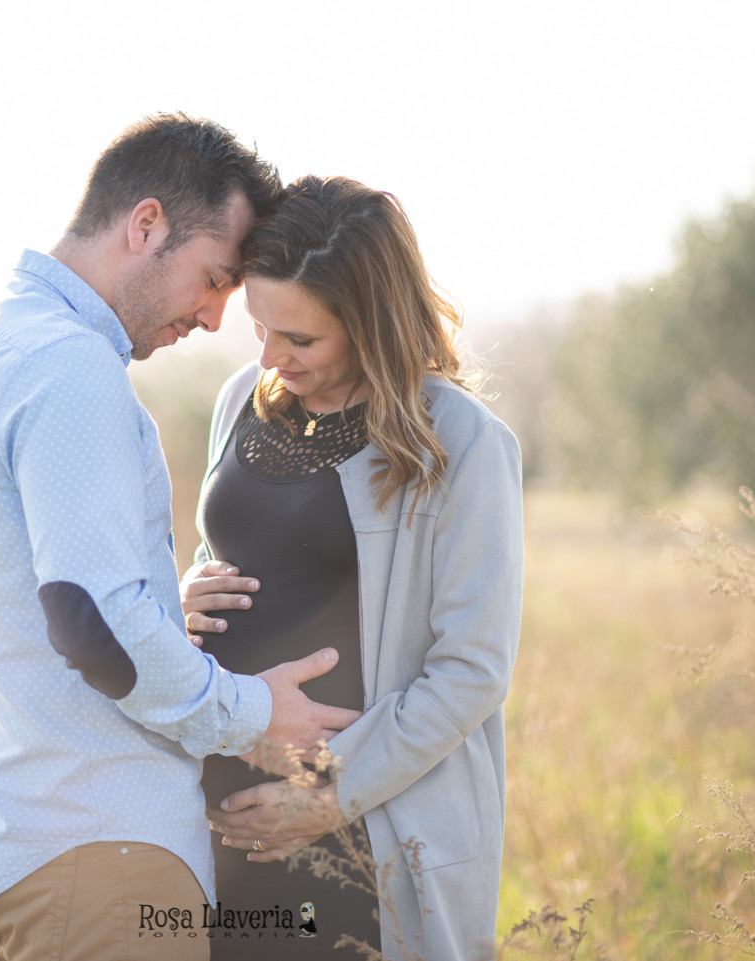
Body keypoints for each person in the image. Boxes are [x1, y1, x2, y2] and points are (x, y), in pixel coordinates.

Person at [0, 115, 361, 961]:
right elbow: (92, 617)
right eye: (214, 278)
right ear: (147, 224)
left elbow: (58, 591)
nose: (214, 318)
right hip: (102, 852)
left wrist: (162, 603)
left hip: (56, 835)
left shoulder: (3, 337)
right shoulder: (69, 366)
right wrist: (254, 714)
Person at [180, 175, 524, 960]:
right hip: (217, 831)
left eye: (300, 340)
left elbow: (472, 668)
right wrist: (183, 597)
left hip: (359, 835)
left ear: (371, 325)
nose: (270, 357)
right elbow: (224, 555)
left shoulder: (463, 443)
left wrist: (329, 796)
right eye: (261, 327)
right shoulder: (240, 399)